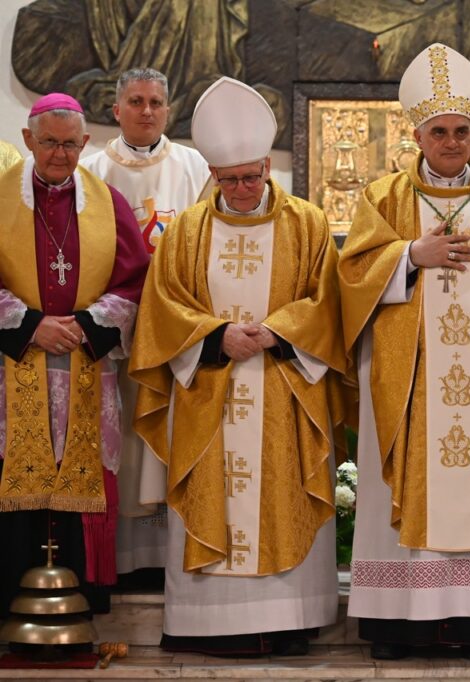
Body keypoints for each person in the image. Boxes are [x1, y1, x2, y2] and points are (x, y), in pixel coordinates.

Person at [339, 43, 470, 661]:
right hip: (405, 380)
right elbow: (350, 276)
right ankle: (398, 626)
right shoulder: (384, 198)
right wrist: (412, 254)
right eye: (440, 132)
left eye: (463, 131)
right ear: (417, 136)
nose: (453, 142)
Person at [129, 77, 345, 656]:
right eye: (230, 180)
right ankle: (207, 624)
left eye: (252, 176)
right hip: (208, 390)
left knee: (284, 496)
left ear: (268, 167)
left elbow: (328, 300)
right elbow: (162, 306)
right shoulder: (187, 230)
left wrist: (279, 332)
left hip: (285, 386)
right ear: (213, 176)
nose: (243, 189)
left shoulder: (307, 223)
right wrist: (215, 336)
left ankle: (289, 620)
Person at [0, 93, 149, 619]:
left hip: (85, 362)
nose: (60, 154)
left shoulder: (107, 202)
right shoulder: (0, 198)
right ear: (28, 139)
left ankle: (82, 602)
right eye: (49, 143)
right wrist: (31, 326)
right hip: (13, 368)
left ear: (85, 143)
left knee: (82, 476)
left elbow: (135, 279)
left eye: (69, 144)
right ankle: (9, 602)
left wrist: (85, 326)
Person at [80, 67, 211, 579]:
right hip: (114, 326)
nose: (147, 111)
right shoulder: (91, 170)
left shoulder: (195, 166)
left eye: (155, 102)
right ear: (117, 110)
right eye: (136, 102)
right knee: (123, 436)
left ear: (168, 110)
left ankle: (168, 555)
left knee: (169, 432)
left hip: (175, 324)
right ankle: (123, 557)